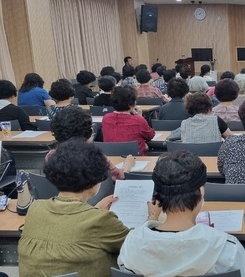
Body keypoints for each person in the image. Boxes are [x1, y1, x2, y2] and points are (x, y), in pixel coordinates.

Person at [18, 140, 157, 276]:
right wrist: (152, 217)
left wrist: (94, 210)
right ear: (95, 180)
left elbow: (68, 229)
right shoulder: (100, 220)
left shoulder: (35, 208)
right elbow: (137, 245)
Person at [117, 151, 245, 276]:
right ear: (201, 192)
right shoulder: (227, 247)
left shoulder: (131, 243)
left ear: (157, 197)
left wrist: (152, 217)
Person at [50, 105, 134, 181]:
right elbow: (119, 177)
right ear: (89, 133)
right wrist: (127, 165)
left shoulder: (51, 157)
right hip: (100, 197)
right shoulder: (96, 157)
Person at [102, 86, 155, 155]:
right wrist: (139, 117)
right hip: (136, 158)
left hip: (112, 158)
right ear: (132, 104)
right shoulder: (138, 120)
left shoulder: (106, 118)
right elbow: (150, 136)